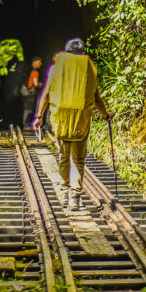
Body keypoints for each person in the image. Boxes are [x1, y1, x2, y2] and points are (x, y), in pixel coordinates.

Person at [32, 39, 111, 211]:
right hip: (81, 121)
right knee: (79, 161)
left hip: (61, 120)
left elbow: (45, 95)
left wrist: (39, 116)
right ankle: (75, 196)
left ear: (66, 52)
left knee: (63, 157)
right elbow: (96, 98)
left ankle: (64, 193)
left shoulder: (55, 68)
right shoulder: (89, 68)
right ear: (83, 54)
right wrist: (106, 115)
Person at [22, 56, 43, 128]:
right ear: (35, 62)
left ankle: (25, 124)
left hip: (24, 90)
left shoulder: (28, 70)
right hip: (30, 92)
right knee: (29, 109)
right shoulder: (35, 72)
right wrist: (41, 84)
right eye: (39, 62)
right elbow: (36, 84)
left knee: (26, 108)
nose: (40, 64)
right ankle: (26, 125)